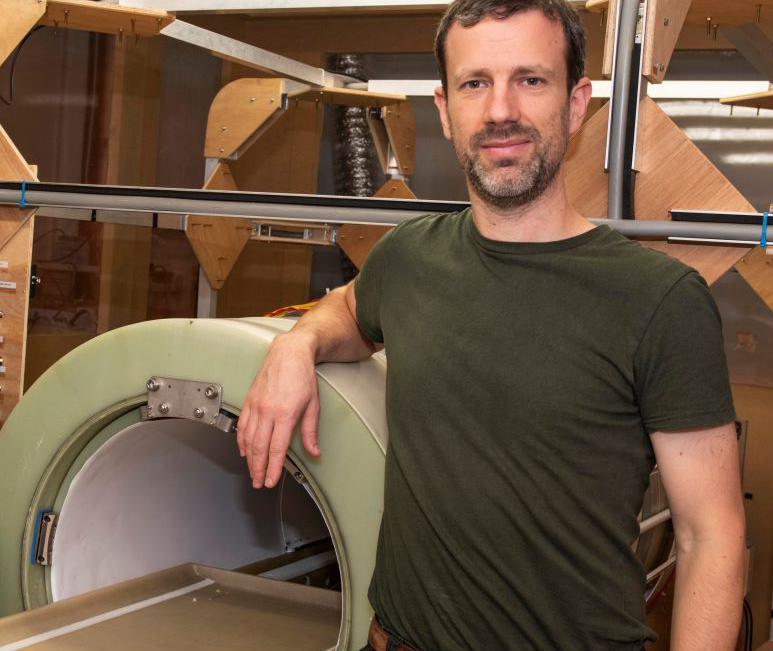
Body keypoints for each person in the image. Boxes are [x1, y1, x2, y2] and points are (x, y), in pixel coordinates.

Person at [237, 0, 745, 649]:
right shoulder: (409, 258)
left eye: (530, 80)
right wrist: (298, 342)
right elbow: (349, 310)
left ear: (576, 103)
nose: (501, 109)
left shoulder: (660, 299)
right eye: (476, 83)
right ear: (446, 110)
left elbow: (712, 536)